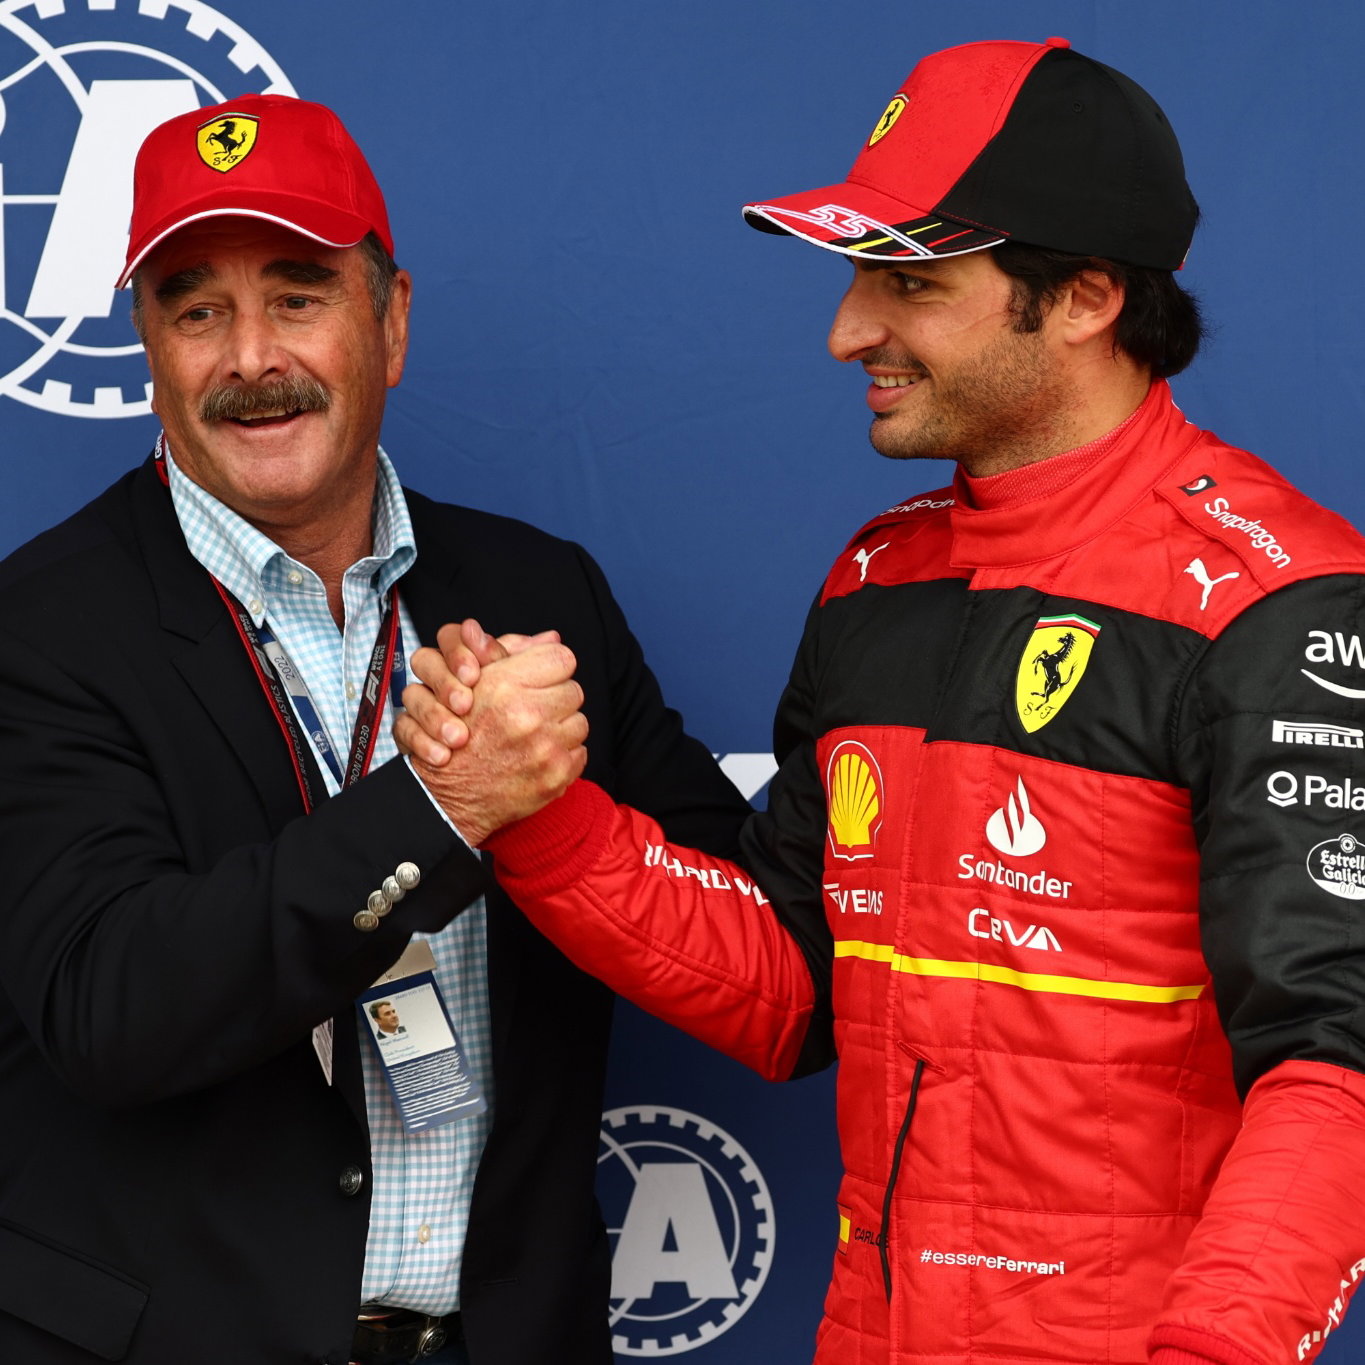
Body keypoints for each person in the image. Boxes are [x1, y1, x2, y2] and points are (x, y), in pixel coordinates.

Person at [397, 37, 1365, 1365]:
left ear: (1082, 295)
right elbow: (792, 987)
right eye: (860, 273)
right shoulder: (877, 579)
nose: (850, 328)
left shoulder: (1275, 603)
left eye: (908, 280)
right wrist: (542, 822)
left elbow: (1338, 1067)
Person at [0, 94, 749, 1365]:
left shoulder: (539, 591)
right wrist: (444, 807)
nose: (250, 358)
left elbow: (725, 903)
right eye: (197, 310)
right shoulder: (40, 627)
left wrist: (555, 819)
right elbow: (110, 1008)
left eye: (298, 297)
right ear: (147, 345)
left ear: (390, 322)